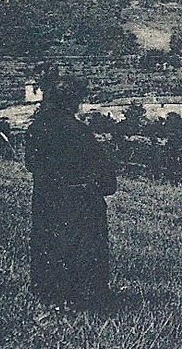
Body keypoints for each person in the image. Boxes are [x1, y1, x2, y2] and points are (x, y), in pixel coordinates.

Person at [24, 74, 118, 307]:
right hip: (79, 203)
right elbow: (103, 173)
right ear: (73, 101)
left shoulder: (36, 129)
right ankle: (83, 298)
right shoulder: (78, 132)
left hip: (46, 199)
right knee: (82, 250)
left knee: (48, 246)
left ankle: (49, 295)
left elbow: (31, 164)